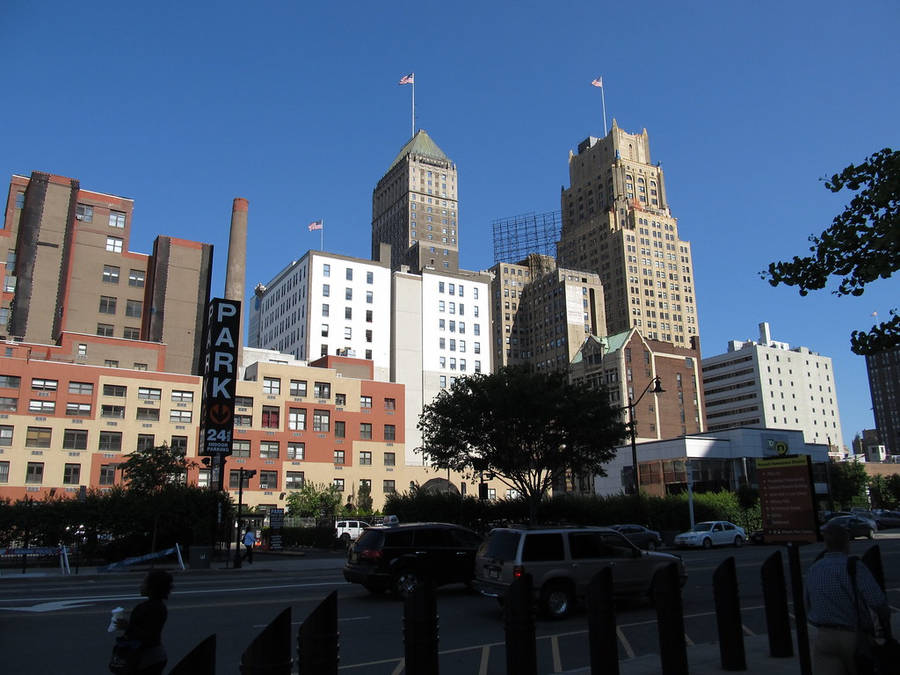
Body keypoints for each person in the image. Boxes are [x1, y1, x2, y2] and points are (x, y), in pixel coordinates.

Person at [805, 521, 891, 674]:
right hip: (854, 636)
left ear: (826, 543)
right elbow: (877, 601)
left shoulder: (814, 569)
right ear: (847, 542)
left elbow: (808, 604)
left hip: (824, 636)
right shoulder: (854, 566)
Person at [114, 569, 173, 675]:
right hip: (156, 655)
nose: (140, 585)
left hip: (146, 658)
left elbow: (147, 636)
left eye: (144, 582)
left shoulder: (147, 608)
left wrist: (127, 627)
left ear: (152, 587)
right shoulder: (159, 606)